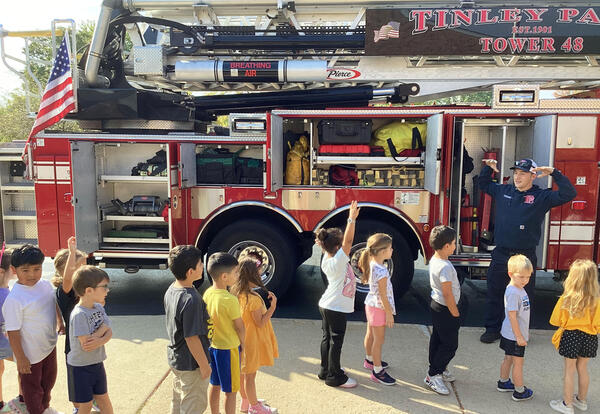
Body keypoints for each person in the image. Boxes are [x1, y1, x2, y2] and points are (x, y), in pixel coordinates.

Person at [479, 158, 576, 343]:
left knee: (523, 297)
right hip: (501, 254)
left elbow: (569, 193)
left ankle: (520, 333)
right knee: (494, 293)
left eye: (522, 173)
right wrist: (488, 169)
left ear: (533, 176)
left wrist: (555, 173)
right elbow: (483, 184)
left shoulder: (541, 197)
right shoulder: (504, 190)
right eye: (516, 173)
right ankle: (492, 329)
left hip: (524, 256)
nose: (517, 177)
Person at [1, 244, 63, 414]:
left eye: (37, 269)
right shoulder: (15, 299)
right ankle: (37, 411)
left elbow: (52, 302)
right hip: (30, 356)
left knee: (48, 382)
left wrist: (60, 321)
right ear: (14, 270)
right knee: (32, 390)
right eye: (25, 270)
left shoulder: (44, 285)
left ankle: (45, 408)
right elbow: (13, 332)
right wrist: (20, 358)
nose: (32, 275)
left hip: (48, 346)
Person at [315, 201, 359, 388]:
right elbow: (349, 242)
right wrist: (351, 219)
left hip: (327, 304)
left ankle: (325, 370)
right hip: (335, 306)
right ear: (338, 247)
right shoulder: (338, 260)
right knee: (336, 341)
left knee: (327, 338)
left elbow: (338, 243)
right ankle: (334, 376)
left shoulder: (328, 256)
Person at [164, 245, 212, 414]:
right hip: (192, 364)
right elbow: (192, 338)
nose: (203, 266)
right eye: (200, 264)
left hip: (177, 358)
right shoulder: (191, 299)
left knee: (178, 400)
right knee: (193, 404)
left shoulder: (172, 289)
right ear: (191, 271)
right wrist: (204, 365)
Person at [548, 259, 600, 414]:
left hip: (571, 335)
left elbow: (555, 320)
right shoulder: (596, 300)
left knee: (569, 370)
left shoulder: (567, 298)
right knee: (583, 368)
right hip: (590, 336)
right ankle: (581, 401)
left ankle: (567, 404)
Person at [231, 258, 278, 414]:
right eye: (258, 274)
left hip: (241, 340)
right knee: (250, 376)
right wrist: (272, 307)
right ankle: (255, 406)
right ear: (252, 276)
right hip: (252, 341)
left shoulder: (236, 293)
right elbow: (260, 322)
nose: (260, 276)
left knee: (243, 375)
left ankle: (246, 401)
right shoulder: (253, 299)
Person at [52, 237, 91, 414]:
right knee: (79, 396)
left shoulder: (84, 290)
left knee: (91, 389)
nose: (87, 270)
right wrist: (72, 251)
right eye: (81, 266)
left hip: (90, 348)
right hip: (74, 349)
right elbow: (68, 278)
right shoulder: (66, 291)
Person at [68, 266, 114, 414]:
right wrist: (103, 334)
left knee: (103, 398)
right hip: (81, 368)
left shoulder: (98, 308)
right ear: (89, 290)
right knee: (86, 405)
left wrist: (100, 335)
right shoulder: (79, 315)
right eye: (104, 287)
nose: (107, 290)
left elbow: (108, 327)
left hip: (97, 363)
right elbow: (87, 345)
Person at [203, 253, 244, 414]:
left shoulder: (207, 294)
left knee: (215, 384)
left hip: (213, 347)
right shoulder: (230, 300)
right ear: (224, 276)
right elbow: (240, 327)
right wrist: (245, 345)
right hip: (230, 349)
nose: (238, 275)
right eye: (236, 272)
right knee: (231, 391)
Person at [424, 225, 461, 396]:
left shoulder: (436, 259)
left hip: (436, 305)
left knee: (438, 338)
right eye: (454, 243)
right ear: (446, 246)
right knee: (450, 344)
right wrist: (454, 312)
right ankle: (433, 374)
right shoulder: (445, 267)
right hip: (446, 308)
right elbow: (447, 292)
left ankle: (437, 367)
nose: (455, 246)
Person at [359, 233, 396, 386]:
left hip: (370, 304)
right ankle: (377, 370)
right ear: (382, 252)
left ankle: (369, 359)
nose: (392, 250)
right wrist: (389, 314)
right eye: (389, 248)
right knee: (379, 340)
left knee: (371, 335)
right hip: (379, 308)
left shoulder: (372, 262)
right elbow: (383, 295)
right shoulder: (382, 271)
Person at [496, 254, 534, 402]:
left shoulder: (518, 288)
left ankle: (504, 382)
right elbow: (512, 316)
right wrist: (519, 336)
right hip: (514, 335)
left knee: (508, 358)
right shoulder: (513, 292)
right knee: (518, 363)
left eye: (528, 277)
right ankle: (519, 390)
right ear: (511, 274)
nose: (525, 280)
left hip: (511, 333)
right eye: (522, 277)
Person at [0, 245, 26, 413]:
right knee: (23, 365)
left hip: (4, 339)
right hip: (6, 340)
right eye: (13, 268)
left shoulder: (6, 291)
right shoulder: (7, 295)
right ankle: (22, 399)